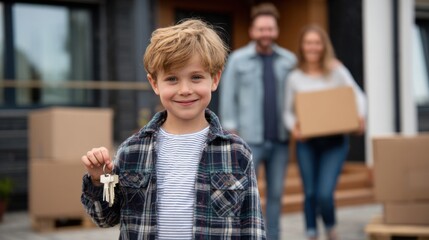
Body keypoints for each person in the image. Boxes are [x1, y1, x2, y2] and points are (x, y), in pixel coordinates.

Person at [80, 19, 266, 240]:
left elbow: (252, 227)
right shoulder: (131, 150)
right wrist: (97, 179)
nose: (185, 90)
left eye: (196, 77)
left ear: (215, 79)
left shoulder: (237, 152)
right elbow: (105, 219)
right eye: (172, 79)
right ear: (155, 83)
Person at [219, 3, 296, 239]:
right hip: (248, 140)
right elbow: (227, 97)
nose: (266, 34)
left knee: (275, 195)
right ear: (253, 31)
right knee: (243, 194)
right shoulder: (238, 60)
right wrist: (231, 132)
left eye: (270, 29)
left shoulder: (289, 60)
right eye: (261, 29)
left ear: (276, 30)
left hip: (280, 140)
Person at [283, 25, 366, 240]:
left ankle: (330, 226)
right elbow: (287, 111)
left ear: (323, 46)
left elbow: (357, 96)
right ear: (302, 46)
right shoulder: (295, 78)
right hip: (307, 143)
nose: (313, 47)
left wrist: (360, 116)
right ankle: (311, 232)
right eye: (308, 42)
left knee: (324, 193)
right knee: (309, 192)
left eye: (317, 43)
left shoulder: (336, 71)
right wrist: (294, 128)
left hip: (335, 142)